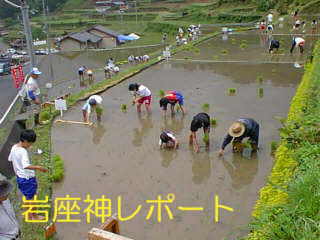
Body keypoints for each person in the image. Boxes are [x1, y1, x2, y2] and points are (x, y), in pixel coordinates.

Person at [8, 129, 48, 220]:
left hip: (20, 177)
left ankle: (28, 214)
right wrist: (39, 167)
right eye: (30, 143)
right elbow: (26, 166)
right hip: (27, 178)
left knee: (27, 196)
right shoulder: (23, 152)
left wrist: (17, 166)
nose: (30, 146)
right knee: (32, 198)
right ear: (25, 141)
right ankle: (35, 216)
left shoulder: (14, 147)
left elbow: (10, 159)